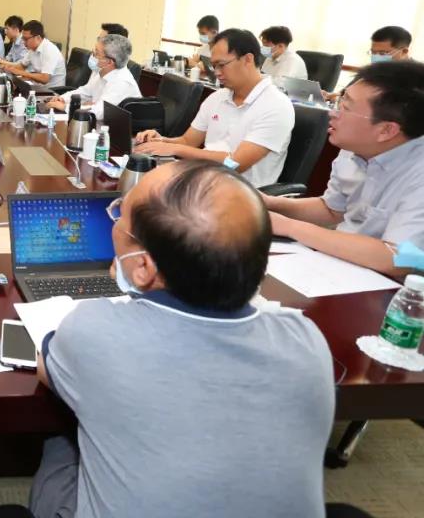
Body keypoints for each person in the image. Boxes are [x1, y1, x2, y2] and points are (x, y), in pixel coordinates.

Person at [31, 161, 333, 518]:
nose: (115, 221)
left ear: (143, 267)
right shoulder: (306, 340)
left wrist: (132, 291)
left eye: (119, 216)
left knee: (63, 443)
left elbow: (46, 367)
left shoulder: (93, 329)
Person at [263, 60, 424, 276]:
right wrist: (269, 203)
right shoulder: (356, 145)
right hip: (340, 266)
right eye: (340, 101)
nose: (332, 114)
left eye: (345, 108)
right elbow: (332, 210)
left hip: (394, 287)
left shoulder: (418, 172)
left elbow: (399, 258)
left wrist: (288, 226)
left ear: (386, 130)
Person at [134, 28, 294, 187]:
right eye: (214, 66)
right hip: (205, 179)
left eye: (221, 65)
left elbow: (235, 164)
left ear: (248, 59)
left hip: (242, 192)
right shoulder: (217, 97)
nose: (216, 73)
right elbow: (187, 141)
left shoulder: (276, 105)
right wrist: (161, 141)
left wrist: (174, 149)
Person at [47, 33, 140, 119]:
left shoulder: (122, 82)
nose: (92, 55)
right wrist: (63, 98)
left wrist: (66, 107)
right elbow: (85, 92)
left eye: (96, 53)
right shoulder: (102, 71)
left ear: (109, 62)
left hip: (116, 128)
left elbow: (98, 112)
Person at [320, 25, 413, 102]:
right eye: (373, 52)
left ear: (404, 51)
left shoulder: (415, 78)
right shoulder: (372, 70)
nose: (376, 57)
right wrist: (330, 96)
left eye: (382, 53)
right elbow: (345, 93)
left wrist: (339, 100)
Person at [0, 20, 68, 89]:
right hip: (38, 86)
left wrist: (22, 73)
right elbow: (21, 66)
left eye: (26, 39)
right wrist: (8, 68)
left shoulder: (50, 50)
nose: (23, 42)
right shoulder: (32, 49)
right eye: (23, 39)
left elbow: (45, 78)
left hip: (52, 91)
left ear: (38, 38)